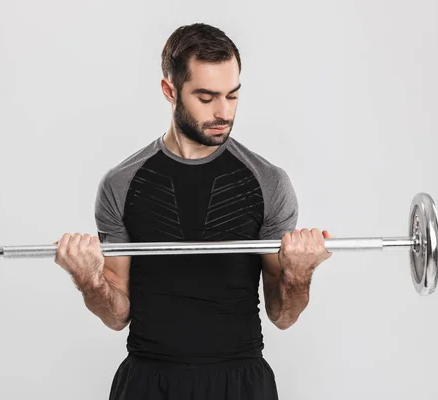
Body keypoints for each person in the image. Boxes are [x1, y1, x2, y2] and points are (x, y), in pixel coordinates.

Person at [53, 23, 333, 400]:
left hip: (241, 382)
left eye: (232, 96)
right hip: (148, 381)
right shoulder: (121, 183)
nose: (223, 112)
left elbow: (283, 315)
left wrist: (299, 273)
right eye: (206, 97)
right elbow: (117, 315)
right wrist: (88, 279)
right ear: (170, 91)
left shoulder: (269, 182)